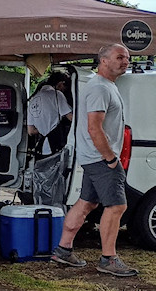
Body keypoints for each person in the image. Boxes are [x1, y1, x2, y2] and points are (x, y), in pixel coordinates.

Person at [52, 44, 138, 277]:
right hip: (101, 158)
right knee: (117, 206)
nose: (125, 61)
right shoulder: (100, 87)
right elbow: (94, 127)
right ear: (103, 61)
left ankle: (63, 249)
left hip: (93, 157)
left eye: (127, 58)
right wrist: (111, 158)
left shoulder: (105, 85)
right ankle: (108, 259)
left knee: (86, 203)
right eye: (119, 57)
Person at [27, 72, 74, 157]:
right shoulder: (57, 95)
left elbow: (31, 131)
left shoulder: (33, 100)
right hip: (55, 144)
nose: (64, 90)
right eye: (64, 87)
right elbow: (71, 118)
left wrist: (43, 129)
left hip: (41, 148)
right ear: (60, 84)